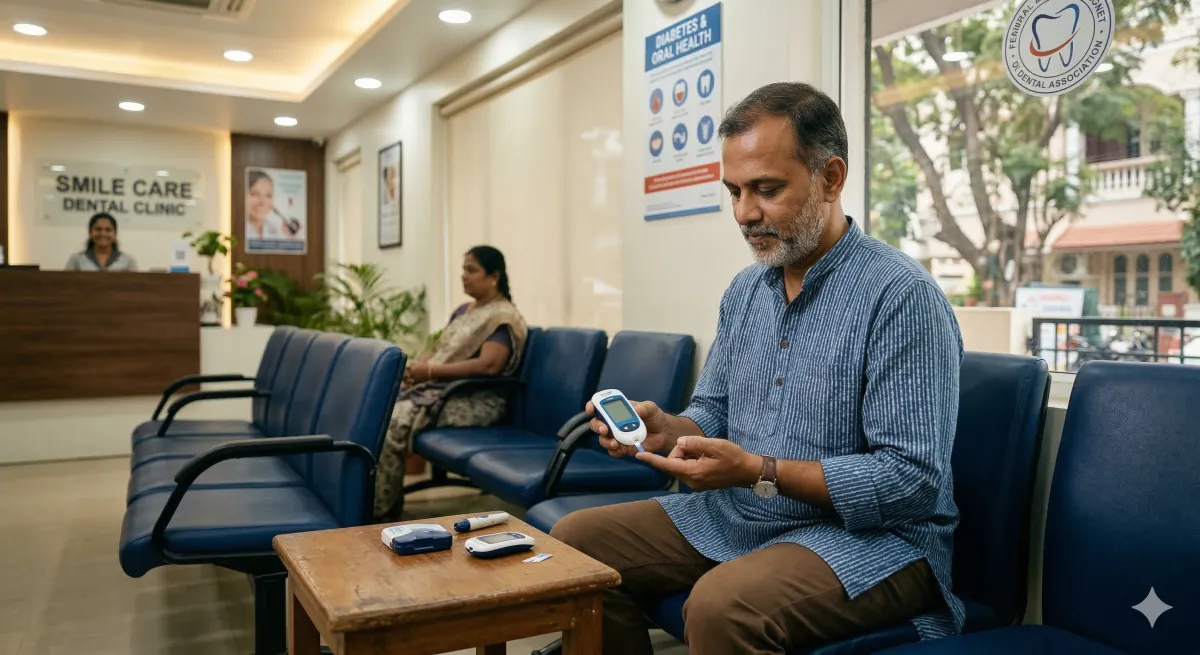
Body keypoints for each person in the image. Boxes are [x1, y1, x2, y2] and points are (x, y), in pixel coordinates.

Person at [551, 82, 965, 655]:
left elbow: (911, 482)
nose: (746, 213)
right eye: (735, 191)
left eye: (767, 190)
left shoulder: (901, 297)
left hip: (876, 541)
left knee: (725, 607)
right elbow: (714, 412)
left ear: (832, 177)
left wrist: (757, 470)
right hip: (745, 513)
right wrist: (668, 429)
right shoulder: (746, 291)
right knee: (575, 546)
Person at [373, 245, 528, 520]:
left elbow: (489, 365)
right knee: (374, 409)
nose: (464, 276)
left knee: (391, 423)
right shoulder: (464, 311)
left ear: (494, 277)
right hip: (442, 392)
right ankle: (368, 502)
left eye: (472, 270)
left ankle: (380, 513)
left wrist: (430, 372)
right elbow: (439, 349)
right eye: (463, 269)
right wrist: (415, 369)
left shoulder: (501, 317)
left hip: (476, 399)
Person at [64, 212, 138, 271]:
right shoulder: (76, 260)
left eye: (108, 230)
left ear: (115, 234)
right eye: (98, 229)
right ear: (90, 232)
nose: (103, 234)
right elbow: (65, 286)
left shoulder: (128, 261)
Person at [245, 170, 299, 240]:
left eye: (268, 196)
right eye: (254, 194)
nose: (263, 202)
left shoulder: (274, 230)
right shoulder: (235, 229)